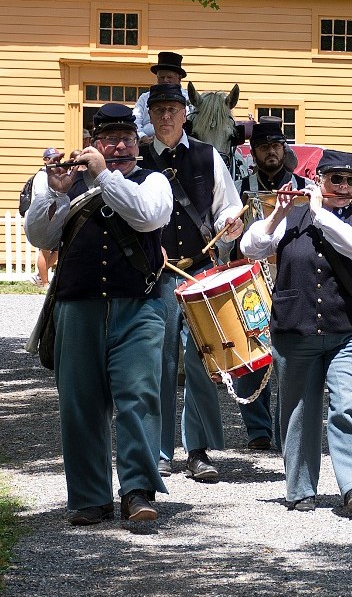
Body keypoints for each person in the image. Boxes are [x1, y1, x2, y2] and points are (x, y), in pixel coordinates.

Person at [25, 103, 173, 524]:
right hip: (77, 307)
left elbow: (146, 218)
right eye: (109, 140)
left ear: (137, 144)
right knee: (80, 403)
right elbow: (41, 235)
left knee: (139, 398)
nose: (119, 146)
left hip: (138, 308)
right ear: (94, 142)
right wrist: (54, 191)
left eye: (126, 139)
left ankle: (138, 492)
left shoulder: (154, 181)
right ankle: (89, 498)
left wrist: (104, 176)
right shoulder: (68, 183)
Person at [240, 150, 352, 513]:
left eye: (351, 181)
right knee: (298, 412)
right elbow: (250, 247)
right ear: (319, 180)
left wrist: (320, 213)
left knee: (347, 403)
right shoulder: (293, 217)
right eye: (337, 179)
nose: (345, 187)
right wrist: (277, 215)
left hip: (346, 330)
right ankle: (301, 487)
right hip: (295, 328)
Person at [137, 82, 244, 480]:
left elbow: (226, 206)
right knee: (158, 363)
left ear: (186, 114)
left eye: (173, 109)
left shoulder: (207, 157)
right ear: (150, 114)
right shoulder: (138, 156)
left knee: (201, 361)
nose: (166, 116)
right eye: (160, 109)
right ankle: (160, 449)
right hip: (153, 276)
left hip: (199, 271)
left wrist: (229, 225)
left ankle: (197, 451)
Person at [230, 119, 305, 451]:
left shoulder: (305, 187)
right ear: (254, 152)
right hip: (251, 280)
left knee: (292, 358)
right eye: (264, 147)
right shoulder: (239, 189)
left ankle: (288, 427)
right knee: (251, 355)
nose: (271, 152)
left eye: (276, 146)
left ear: (284, 149)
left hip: (293, 280)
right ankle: (258, 430)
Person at [132, 52, 194, 142]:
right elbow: (135, 120)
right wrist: (142, 137)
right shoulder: (145, 98)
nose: (165, 80)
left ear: (179, 78)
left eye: (169, 77)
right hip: (146, 144)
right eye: (161, 77)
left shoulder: (189, 99)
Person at [29, 147, 63, 288]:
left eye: (57, 158)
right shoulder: (42, 176)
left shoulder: (54, 175)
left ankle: (38, 277)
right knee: (45, 250)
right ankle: (44, 282)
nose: (55, 161)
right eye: (51, 158)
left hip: (54, 216)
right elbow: (43, 198)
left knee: (55, 251)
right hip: (44, 217)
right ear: (45, 160)